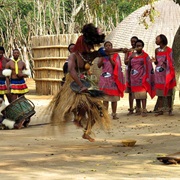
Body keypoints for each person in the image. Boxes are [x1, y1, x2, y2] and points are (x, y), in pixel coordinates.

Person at [48, 23, 128, 142]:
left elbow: (106, 51)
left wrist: (121, 49)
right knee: (79, 105)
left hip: (86, 84)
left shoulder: (90, 55)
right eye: (88, 45)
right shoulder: (73, 57)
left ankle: (87, 132)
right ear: (82, 44)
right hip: (73, 86)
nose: (90, 47)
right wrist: (80, 86)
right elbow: (71, 71)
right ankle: (77, 117)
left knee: (98, 110)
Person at [3, 48, 31, 127]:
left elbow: (27, 73)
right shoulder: (9, 64)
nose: (16, 54)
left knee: (22, 100)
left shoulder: (22, 63)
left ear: (19, 54)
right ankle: (17, 118)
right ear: (12, 54)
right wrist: (8, 86)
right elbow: (7, 77)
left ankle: (25, 117)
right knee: (14, 101)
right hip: (14, 83)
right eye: (14, 53)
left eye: (17, 53)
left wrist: (22, 75)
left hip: (21, 82)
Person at [98, 41, 125, 119]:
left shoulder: (116, 55)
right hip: (105, 79)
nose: (108, 47)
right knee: (105, 99)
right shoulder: (103, 55)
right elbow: (99, 65)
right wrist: (102, 57)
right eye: (106, 46)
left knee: (114, 98)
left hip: (113, 79)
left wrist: (110, 58)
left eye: (110, 45)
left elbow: (116, 66)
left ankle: (114, 114)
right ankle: (105, 115)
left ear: (112, 47)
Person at [128, 39, 155, 117]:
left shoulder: (145, 56)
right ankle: (138, 109)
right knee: (136, 95)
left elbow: (149, 66)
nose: (138, 47)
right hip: (134, 78)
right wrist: (129, 77)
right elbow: (129, 66)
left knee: (143, 95)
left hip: (142, 77)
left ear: (142, 47)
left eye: (139, 46)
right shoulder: (132, 55)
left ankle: (144, 109)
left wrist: (146, 77)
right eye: (137, 46)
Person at [151, 34, 176, 116]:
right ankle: (160, 110)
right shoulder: (157, 50)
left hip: (166, 73)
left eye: (157, 39)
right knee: (160, 93)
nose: (156, 40)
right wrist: (155, 61)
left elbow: (171, 62)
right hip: (159, 73)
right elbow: (157, 62)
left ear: (161, 40)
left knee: (168, 93)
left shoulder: (169, 50)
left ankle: (169, 109)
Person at [124, 36, 141, 115]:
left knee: (138, 90)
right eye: (131, 41)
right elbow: (125, 62)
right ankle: (131, 108)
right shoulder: (128, 51)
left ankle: (138, 108)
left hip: (138, 72)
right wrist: (131, 58)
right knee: (130, 91)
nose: (133, 43)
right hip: (130, 71)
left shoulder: (140, 51)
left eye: (134, 41)